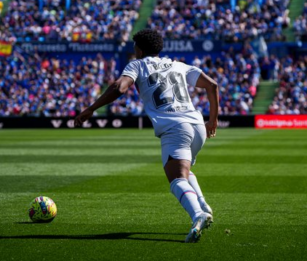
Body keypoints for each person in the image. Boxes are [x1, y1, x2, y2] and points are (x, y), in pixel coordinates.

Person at [74, 29, 219, 243]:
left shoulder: (137, 65)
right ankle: (204, 206)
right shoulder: (177, 65)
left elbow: (119, 87)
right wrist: (213, 120)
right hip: (197, 125)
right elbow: (212, 85)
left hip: (175, 127)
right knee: (185, 171)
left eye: (135, 48)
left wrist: (91, 108)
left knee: (177, 179)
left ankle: (198, 215)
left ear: (140, 49)